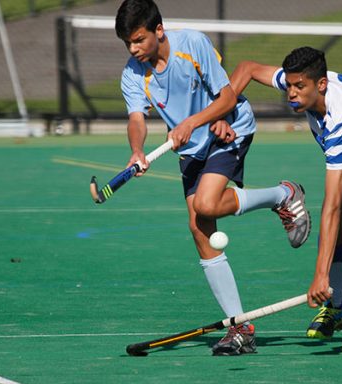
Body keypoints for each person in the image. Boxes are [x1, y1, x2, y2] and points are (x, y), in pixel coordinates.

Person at [114, 0, 311, 356]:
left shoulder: (193, 44)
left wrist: (193, 122)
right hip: (192, 148)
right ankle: (240, 326)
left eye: (139, 40)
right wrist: (137, 151)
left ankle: (283, 195)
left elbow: (227, 96)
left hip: (228, 129)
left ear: (159, 30)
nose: (134, 49)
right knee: (199, 228)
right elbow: (136, 120)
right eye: (128, 43)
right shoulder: (133, 74)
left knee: (206, 204)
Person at [228, 47, 342, 353]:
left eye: (298, 87)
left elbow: (329, 206)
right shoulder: (304, 84)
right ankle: (337, 305)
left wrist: (320, 275)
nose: (290, 93)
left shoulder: (341, 118)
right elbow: (247, 68)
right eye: (288, 85)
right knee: (338, 218)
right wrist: (222, 115)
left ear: (321, 85)